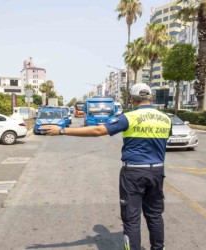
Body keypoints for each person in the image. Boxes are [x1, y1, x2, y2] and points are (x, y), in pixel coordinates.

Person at [41, 83, 172, 250]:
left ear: (132, 100)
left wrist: (62, 131)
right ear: (151, 98)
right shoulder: (166, 118)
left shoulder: (128, 117)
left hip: (133, 172)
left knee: (131, 219)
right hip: (157, 171)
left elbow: (97, 130)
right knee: (155, 215)